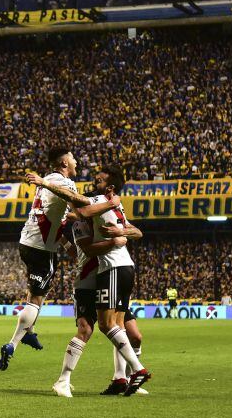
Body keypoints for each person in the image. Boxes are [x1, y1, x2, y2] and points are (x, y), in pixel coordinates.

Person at [38, 165, 150, 397]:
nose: (93, 183)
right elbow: (85, 249)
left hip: (109, 273)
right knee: (87, 329)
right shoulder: (83, 220)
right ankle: (64, 380)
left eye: (98, 180)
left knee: (119, 329)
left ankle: (126, 376)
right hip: (88, 281)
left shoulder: (101, 207)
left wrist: (120, 233)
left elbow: (135, 232)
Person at [0, 147, 103, 371]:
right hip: (41, 249)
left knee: (36, 293)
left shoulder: (48, 181)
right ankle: (12, 344)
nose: (76, 161)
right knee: (36, 299)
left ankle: (30, 332)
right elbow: (79, 205)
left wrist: (67, 245)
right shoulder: (62, 183)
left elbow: (57, 219)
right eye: (73, 157)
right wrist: (105, 205)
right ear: (65, 162)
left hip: (27, 242)